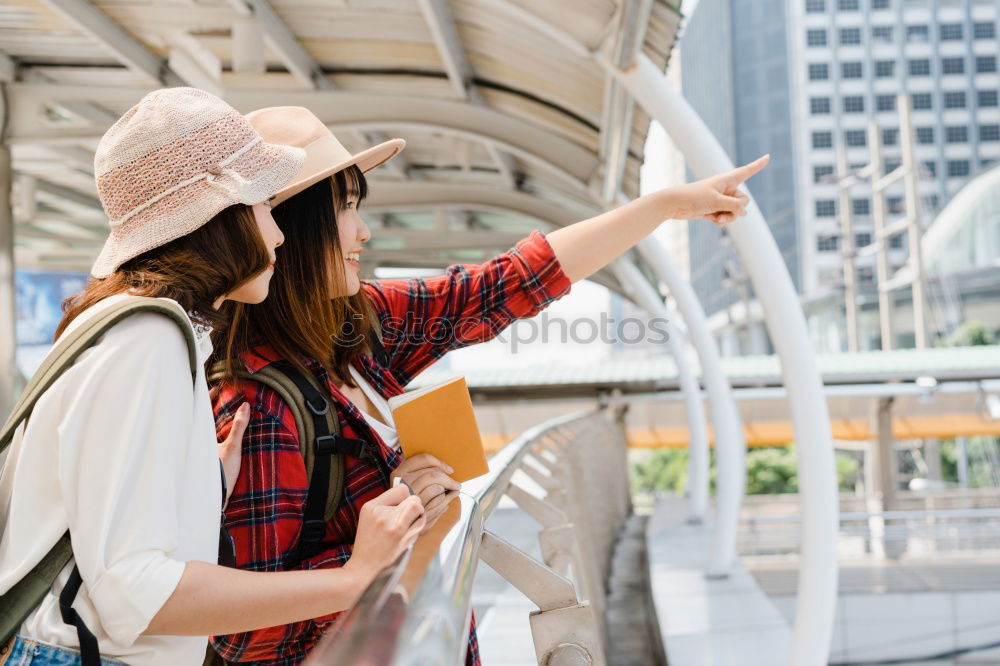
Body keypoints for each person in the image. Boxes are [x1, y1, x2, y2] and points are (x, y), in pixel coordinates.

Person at [208, 105, 768, 665]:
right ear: (289, 230)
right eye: (344, 210)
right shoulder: (257, 403)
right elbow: (240, 636)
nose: (363, 230)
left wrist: (665, 206)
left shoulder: (352, 327)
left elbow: (500, 287)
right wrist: (381, 540)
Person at [0, 88, 424, 666]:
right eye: (263, 208)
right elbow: (137, 597)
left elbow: (101, 530)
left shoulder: (117, 323)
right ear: (218, 216)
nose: (278, 234)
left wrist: (199, 487)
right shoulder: (147, 339)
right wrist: (356, 577)